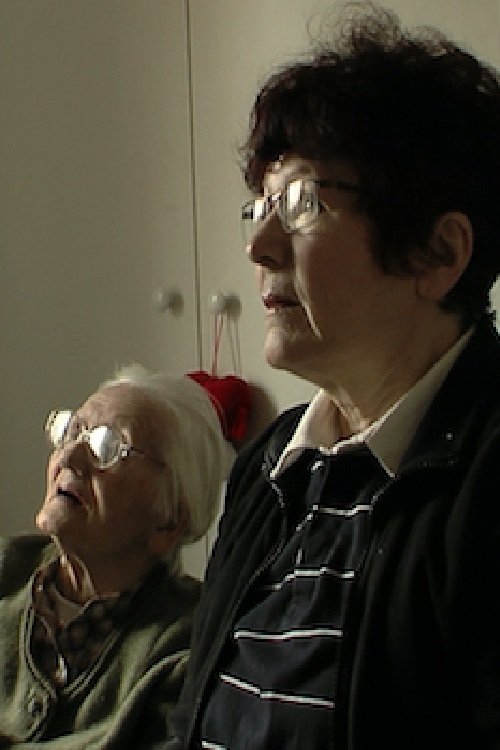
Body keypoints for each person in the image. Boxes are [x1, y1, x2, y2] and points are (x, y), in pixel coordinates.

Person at [173, 3, 500, 749]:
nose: (258, 244)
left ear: (438, 253)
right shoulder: (268, 467)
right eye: (259, 206)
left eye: (301, 202)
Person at [0, 364, 229, 749]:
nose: (69, 456)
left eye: (106, 447)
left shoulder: (190, 642)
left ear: (168, 522)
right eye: (71, 431)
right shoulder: (7, 568)